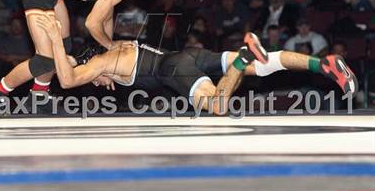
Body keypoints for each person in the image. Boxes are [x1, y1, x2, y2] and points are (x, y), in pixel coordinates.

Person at [32, 16, 357, 116]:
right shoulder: (116, 45)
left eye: (97, 79)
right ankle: (324, 63)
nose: (101, 83)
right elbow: (98, 27)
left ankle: (243, 54)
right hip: (185, 55)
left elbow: (69, 78)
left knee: (217, 106)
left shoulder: (101, 61)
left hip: (174, 70)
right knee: (264, 66)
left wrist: (56, 42)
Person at [0, 0, 165, 107]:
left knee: (63, 48)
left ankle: (38, 96)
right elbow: (92, 23)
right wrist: (110, 47)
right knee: (45, 60)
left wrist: (105, 58)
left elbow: (107, 18)